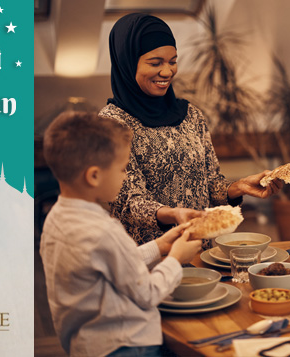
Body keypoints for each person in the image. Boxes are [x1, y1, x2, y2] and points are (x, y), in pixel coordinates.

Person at [99, 13, 280, 247]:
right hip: (146, 261)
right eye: (155, 63)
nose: (167, 72)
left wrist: (238, 187)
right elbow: (127, 202)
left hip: (198, 251)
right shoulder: (112, 124)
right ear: (127, 62)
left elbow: (210, 183)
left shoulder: (190, 115)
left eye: (172, 61)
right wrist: (174, 214)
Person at [40, 111, 202, 356]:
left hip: (86, 346)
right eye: (123, 169)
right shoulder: (104, 230)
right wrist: (175, 259)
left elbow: (112, 263)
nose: (125, 177)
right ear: (94, 176)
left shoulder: (55, 219)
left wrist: (159, 246)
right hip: (128, 346)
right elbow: (147, 293)